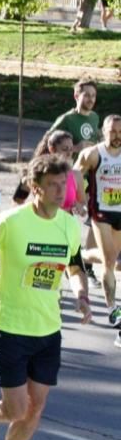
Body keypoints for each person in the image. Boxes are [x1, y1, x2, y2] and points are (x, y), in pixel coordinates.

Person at [0, 155, 92, 440]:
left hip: (48, 329)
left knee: (35, 407)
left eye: (62, 185)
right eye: (51, 185)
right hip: (9, 326)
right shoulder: (11, 222)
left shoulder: (68, 225)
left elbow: (75, 266)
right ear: (35, 188)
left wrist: (81, 296)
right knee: (15, 408)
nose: (59, 191)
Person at [73, 115, 121, 328]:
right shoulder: (92, 154)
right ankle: (113, 310)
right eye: (112, 132)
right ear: (103, 131)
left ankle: (80, 255)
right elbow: (74, 174)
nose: (117, 136)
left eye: (120, 132)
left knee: (111, 259)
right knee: (109, 261)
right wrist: (79, 200)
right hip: (100, 211)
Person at [49, 79, 99, 152]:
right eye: (86, 95)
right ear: (76, 96)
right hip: (71, 163)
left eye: (93, 95)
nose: (91, 99)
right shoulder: (66, 119)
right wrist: (75, 148)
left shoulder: (94, 117)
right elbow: (48, 145)